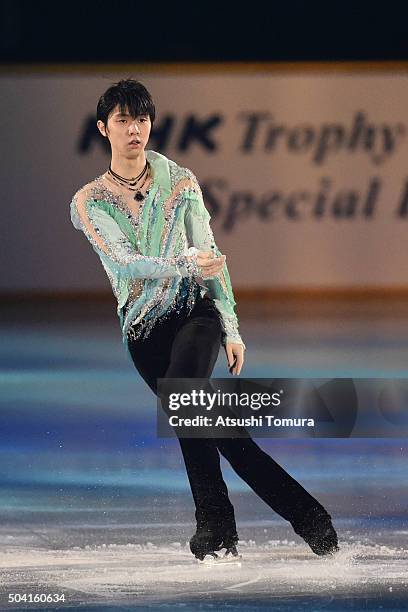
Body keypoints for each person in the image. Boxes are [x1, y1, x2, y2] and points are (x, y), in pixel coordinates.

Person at [69, 78, 339, 561]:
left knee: (187, 398)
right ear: (103, 129)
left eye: (142, 119)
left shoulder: (181, 182)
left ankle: (216, 525)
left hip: (196, 313)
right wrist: (185, 264)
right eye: (123, 120)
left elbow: (211, 255)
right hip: (143, 332)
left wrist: (230, 326)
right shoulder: (89, 202)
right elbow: (125, 261)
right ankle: (309, 519)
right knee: (213, 426)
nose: (135, 129)